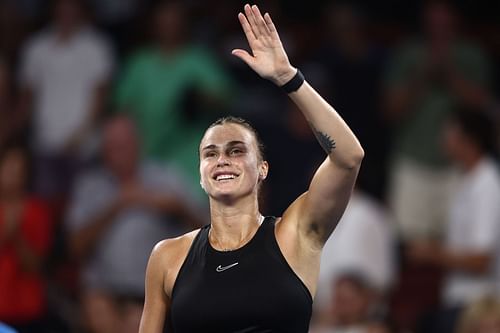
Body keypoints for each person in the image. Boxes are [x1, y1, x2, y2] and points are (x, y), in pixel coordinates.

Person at [139, 4, 364, 333]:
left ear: (262, 169)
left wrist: (289, 79)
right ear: (201, 174)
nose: (222, 160)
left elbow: (348, 157)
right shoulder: (167, 256)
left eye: (236, 150)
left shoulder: (294, 234)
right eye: (210, 154)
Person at [65, 116, 203, 333]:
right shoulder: (90, 185)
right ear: (103, 150)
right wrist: (116, 205)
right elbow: (74, 247)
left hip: (150, 291)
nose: (119, 153)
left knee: (136, 322)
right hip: (101, 289)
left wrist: (178, 208)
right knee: (99, 312)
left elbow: (207, 229)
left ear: (138, 144)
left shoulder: (165, 178)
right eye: (112, 147)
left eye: (124, 146)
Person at [408, 109, 500, 333]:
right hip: (459, 300)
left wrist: (431, 253)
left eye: (449, 133)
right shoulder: (467, 180)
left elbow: (481, 260)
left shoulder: (487, 185)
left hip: (477, 307)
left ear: (469, 140)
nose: (442, 140)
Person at [0, 145, 53, 333]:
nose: (12, 174)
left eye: (18, 169)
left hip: (28, 311)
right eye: (8, 167)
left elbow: (35, 266)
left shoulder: (37, 211)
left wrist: (17, 237)